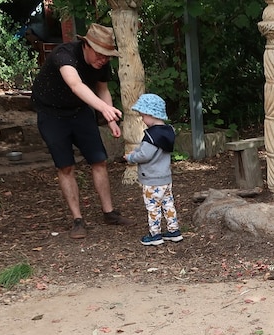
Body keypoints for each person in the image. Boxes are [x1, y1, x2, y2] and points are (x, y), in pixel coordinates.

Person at [31, 23, 134, 239]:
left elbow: (102, 89)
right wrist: (104, 108)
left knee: (99, 160)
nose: (103, 59)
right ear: (86, 45)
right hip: (52, 114)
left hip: (79, 111)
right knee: (66, 166)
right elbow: (76, 85)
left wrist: (111, 121)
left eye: (108, 55)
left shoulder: (101, 62)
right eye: (100, 54)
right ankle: (77, 220)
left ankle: (109, 212)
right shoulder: (65, 55)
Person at [124, 93, 181, 246]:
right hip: (165, 178)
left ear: (150, 114)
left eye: (143, 115)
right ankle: (173, 230)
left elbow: (144, 155)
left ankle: (155, 234)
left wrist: (131, 157)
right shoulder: (169, 131)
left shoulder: (151, 135)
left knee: (153, 207)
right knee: (168, 204)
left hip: (152, 180)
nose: (142, 119)